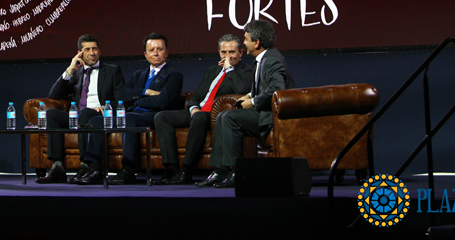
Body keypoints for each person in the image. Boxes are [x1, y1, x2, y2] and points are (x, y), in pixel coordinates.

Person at [197, 20, 296, 188]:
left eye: (246, 39)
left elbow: (277, 89)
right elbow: (264, 86)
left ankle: (237, 171)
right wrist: (249, 95)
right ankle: (221, 171)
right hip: (264, 111)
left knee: (229, 118)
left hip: (271, 116)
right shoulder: (264, 58)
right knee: (223, 116)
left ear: (256, 42)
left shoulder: (272, 60)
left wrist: (254, 101)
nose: (244, 42)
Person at [77, 33, 183, 185]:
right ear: (145, 54)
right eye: (151, 49)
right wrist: (144, 92)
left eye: (160, 49)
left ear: (167, 52)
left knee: (128, 118)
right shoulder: (138, 75)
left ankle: (128, 169)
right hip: (132, 113)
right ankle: (94, 169)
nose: (156, 53)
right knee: (96, 121)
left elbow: (162, 101)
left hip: (154, 116)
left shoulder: (174, 75)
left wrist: (136, 99)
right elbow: (122, 94)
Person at [153, 33, 253, 184]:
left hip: (216, 115)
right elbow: (196, 96)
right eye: (223, 52)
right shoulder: (212, 71)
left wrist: (230, 70)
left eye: (232, 52)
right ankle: (171, 168)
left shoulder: (246, 71)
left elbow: (242, 88)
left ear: (241, 53)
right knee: (161, 117)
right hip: (199, 112)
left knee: (199, 117)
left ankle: (187, 170)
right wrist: (193, 108)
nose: (227, 56)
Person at [37, 34, 125, 184]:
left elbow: (122, 98)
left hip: (100, 115)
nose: (92, 53)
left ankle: (85, 166)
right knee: (51, 114)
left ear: (100, 51)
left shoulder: (112, 71)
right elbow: (54, 95)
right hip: (79, 116)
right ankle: (57, 167)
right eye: (87, 49)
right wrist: (70, 69)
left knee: (84, 113)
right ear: (80, 53)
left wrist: (106, 107)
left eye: (95, 49)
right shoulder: (77, 73)